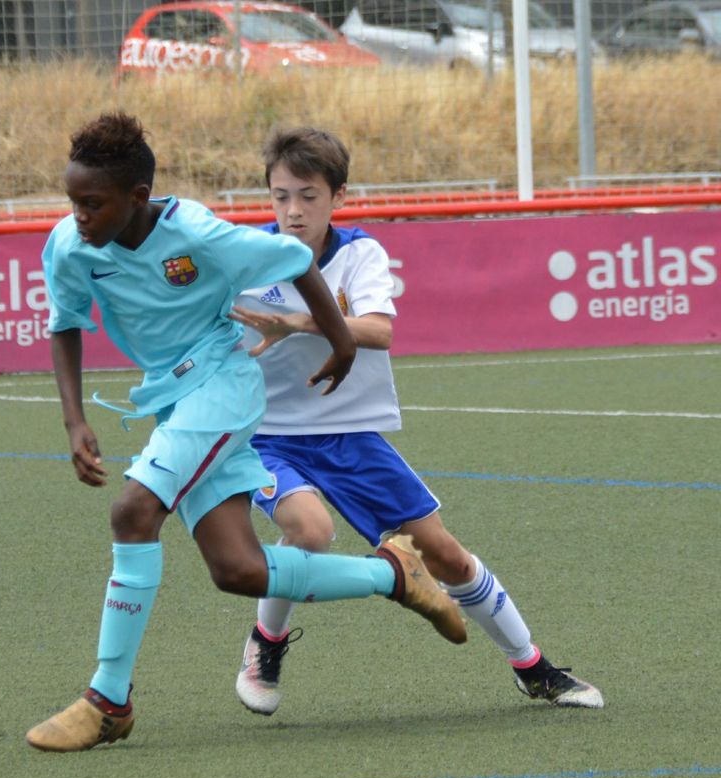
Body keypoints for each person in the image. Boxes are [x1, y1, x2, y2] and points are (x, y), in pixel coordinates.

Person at [25, 111, 467, 754]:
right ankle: (394, 575)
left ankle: (108, 699)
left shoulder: (197, 234)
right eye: (73, 201)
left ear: (138, 198)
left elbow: (294, 259)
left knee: (132, 511)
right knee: (238, 570)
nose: (79, 216)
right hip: (173, 400)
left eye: (93, 204)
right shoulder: (70, 244)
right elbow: (65, 322)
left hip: (224, 386)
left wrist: (342, 342)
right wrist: (73, 419)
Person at [229, 126, 603, 715]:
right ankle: (265, 644)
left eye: (308, 195)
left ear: (339, 197)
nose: (293, 211)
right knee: (310, 530)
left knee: (447, 558)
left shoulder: (359, 254)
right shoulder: (244, 256)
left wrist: (299, 323)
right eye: (280, 196)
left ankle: (534, 669)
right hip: (269, 437)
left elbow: (378, 330)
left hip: (349, 435)